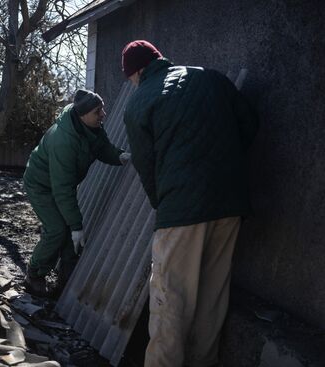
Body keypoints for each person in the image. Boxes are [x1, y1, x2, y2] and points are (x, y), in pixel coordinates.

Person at [120, 40, 259, 367]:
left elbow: (145, 163)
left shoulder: (140, 100)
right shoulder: (210, 78)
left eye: (130, 78)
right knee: (211, 299)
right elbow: (250, 123)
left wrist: (163, 204)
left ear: (137, 71)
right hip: (230, 206)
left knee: (171, 301)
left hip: (182, 210)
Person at [23, 89, 131, 297]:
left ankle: (64, 282)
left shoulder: (91, 128)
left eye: (102, 109)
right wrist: (76, 225)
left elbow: (103, 148)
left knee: (69, 234)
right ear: (82, 115)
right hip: (40, 185)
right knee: (57, 230)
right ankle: (34, 275)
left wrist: (120, 156)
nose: (103, 114)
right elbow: (62, 190)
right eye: (97, 111)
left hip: (60, 184)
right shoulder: (64, 140)